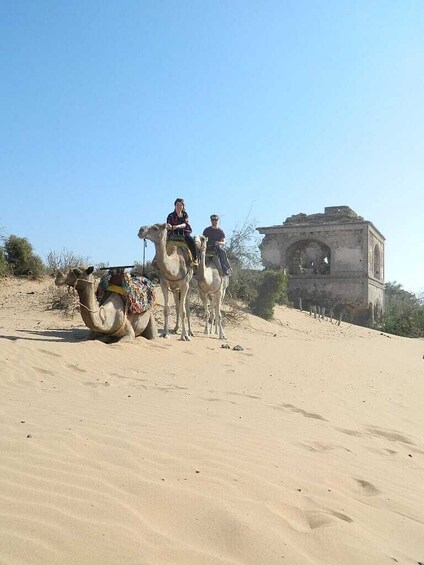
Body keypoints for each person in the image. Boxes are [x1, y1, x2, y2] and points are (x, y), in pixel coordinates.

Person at [166, 198, 198, 265]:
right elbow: (168, 224)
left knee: (191, 241)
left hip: (183, 233)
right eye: (177, 205)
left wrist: (177, 226)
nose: (179, 207)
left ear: (183, 206)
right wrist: (170, 226)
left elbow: (185, 224)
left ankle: (195, 259)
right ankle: (156, 260)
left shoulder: (185, 215)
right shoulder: (171, 215)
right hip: (172, 233)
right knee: (162, 241)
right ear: (175, 206)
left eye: (181, 205)